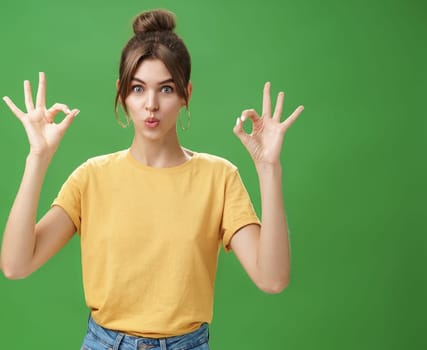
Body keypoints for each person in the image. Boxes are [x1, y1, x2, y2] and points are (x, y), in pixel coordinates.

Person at [0, 8, 302, 350]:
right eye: (138, 88)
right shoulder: (91, 177)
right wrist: (37, 158)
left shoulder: (218, 178)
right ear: (122, 92)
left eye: (167, 89)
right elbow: (15, 264)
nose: (151, 105)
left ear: (186, 93)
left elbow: (273, 278)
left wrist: (269, 168)